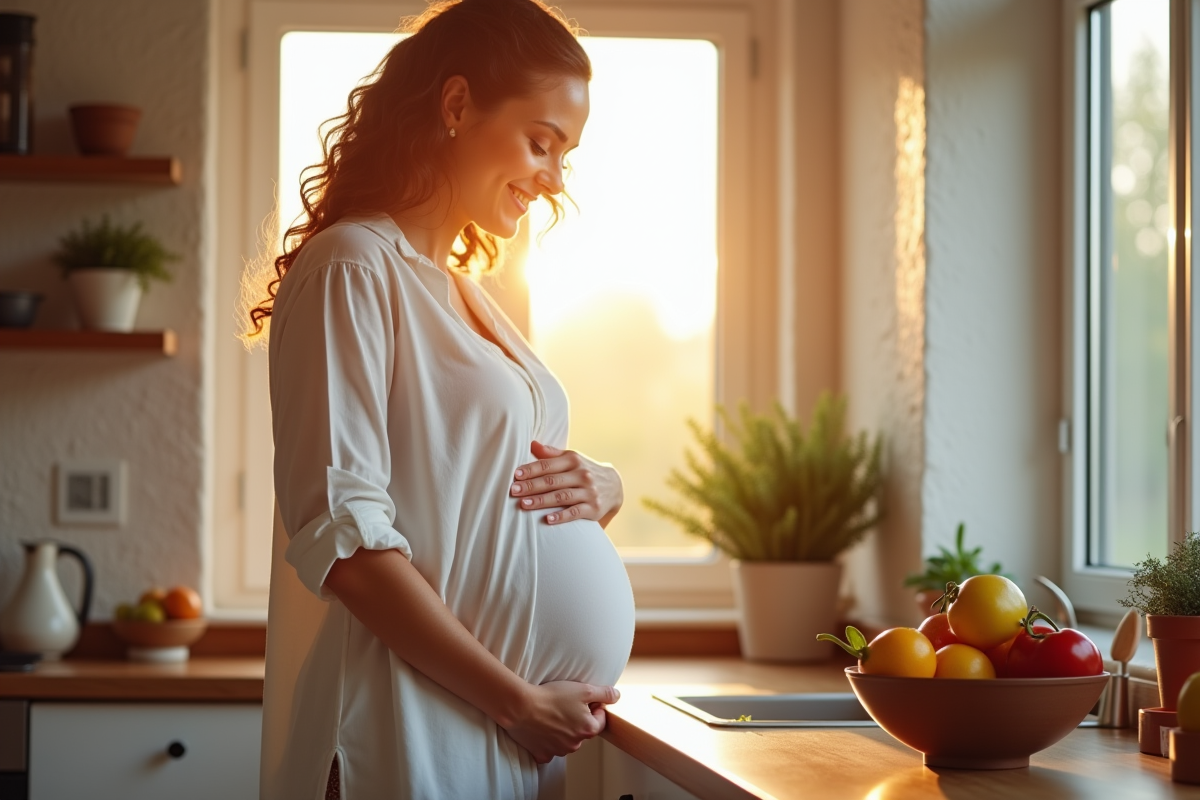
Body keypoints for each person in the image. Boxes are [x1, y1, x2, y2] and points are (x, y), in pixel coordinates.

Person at [248, 1, 636, 797]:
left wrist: (602, 489)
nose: (554, 178)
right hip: (403, 732)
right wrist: (517, 700)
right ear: (456, 105)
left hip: (491, 736)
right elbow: (344, 542)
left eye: (565, 155)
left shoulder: (467, 293)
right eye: (541, 142)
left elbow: (482, 496)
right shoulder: (353, 267)